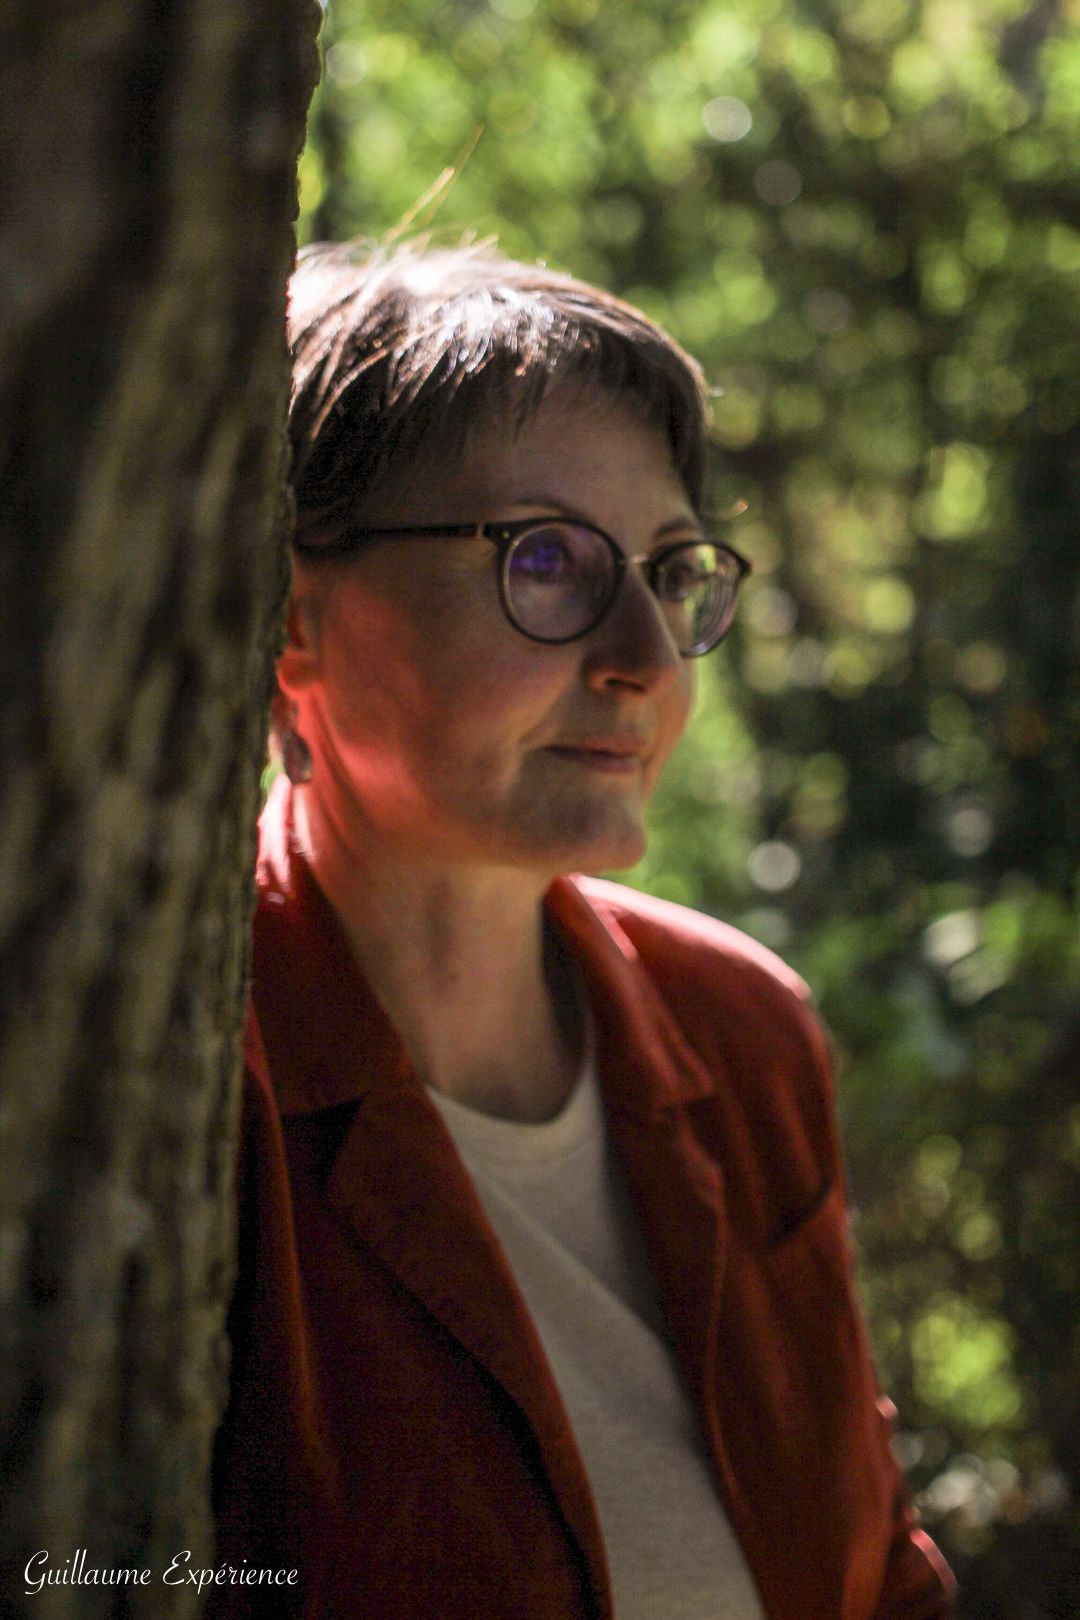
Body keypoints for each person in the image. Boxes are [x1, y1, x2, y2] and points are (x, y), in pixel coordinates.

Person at [211, 240, 956, 1620]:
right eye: (545, 561)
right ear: (292, 618)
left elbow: (875, 1572)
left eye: (673, 570)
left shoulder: (741, 1028)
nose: (648, 657)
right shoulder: (189, 1089)